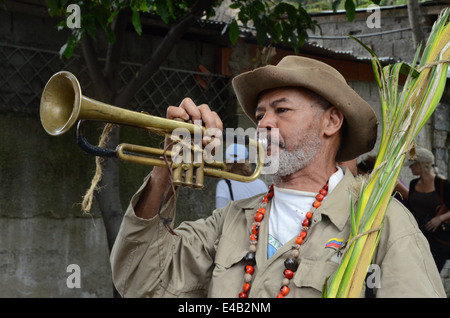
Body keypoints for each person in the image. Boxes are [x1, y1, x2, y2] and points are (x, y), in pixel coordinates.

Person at [110, 56, 445, 298]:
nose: (263, 125)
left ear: (331, 122)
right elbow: (140, 283)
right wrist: (163, 172)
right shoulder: (230, 220)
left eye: (281, 110)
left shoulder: (380, 222)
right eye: (259, 115)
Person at [406, 146, 450, 272]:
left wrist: (440, 218)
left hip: (438, 239)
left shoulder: (442, 184)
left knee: (431, 275)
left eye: (412, 165)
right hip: (418, 236)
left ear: (420, 165)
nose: (410, 168)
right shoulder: (413, 184)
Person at [215, 143, 268, 209]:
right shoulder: (261, 184)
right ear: (246, 161)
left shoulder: (223, 185)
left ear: (226, 161)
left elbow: (220, 213)